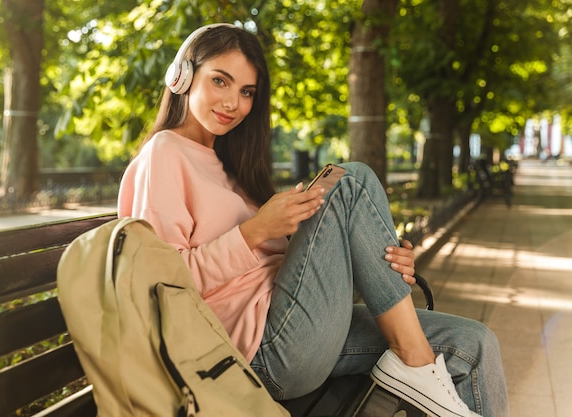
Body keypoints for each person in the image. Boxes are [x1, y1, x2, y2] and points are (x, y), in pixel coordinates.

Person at [118, 23, 509, 417]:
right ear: (182, 76)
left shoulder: (228, 166)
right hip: (254, 356)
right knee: (349, 181)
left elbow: (296, 268)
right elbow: (161, 286)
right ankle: (416, 362)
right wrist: (254, 231)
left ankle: (415, 362)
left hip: (294, 324)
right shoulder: (164, 154)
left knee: (475, 344)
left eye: (246, 92)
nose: (233, 103)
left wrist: (385, 260)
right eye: (220, 80)